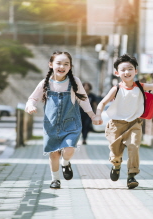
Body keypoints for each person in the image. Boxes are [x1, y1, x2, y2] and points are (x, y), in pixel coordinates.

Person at [93, 54, 153, 189]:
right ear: (117, 73)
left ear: (136, 71)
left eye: (130, 69)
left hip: (135, 123)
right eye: (123, 70)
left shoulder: (140, 86)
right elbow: (102, 103)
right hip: (116, 125)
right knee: (115, 153)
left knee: (134, 146)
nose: (127, 72)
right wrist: (98, 115)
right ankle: (116, 166)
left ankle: (131, 176)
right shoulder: (116, 89)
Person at [25, 51, 96, 189]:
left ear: (70, 66)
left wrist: (92, 115)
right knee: (54, 153)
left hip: (71, 123)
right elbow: (33, 98)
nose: (62, 66)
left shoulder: (74, 81)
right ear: (51, 64)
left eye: (66, 64)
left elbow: (83, 99)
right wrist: (30, 106)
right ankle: (55, 180)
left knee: (68, 150)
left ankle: (66, 162)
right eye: (58, 63)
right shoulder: (46, 83)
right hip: (51, 124)